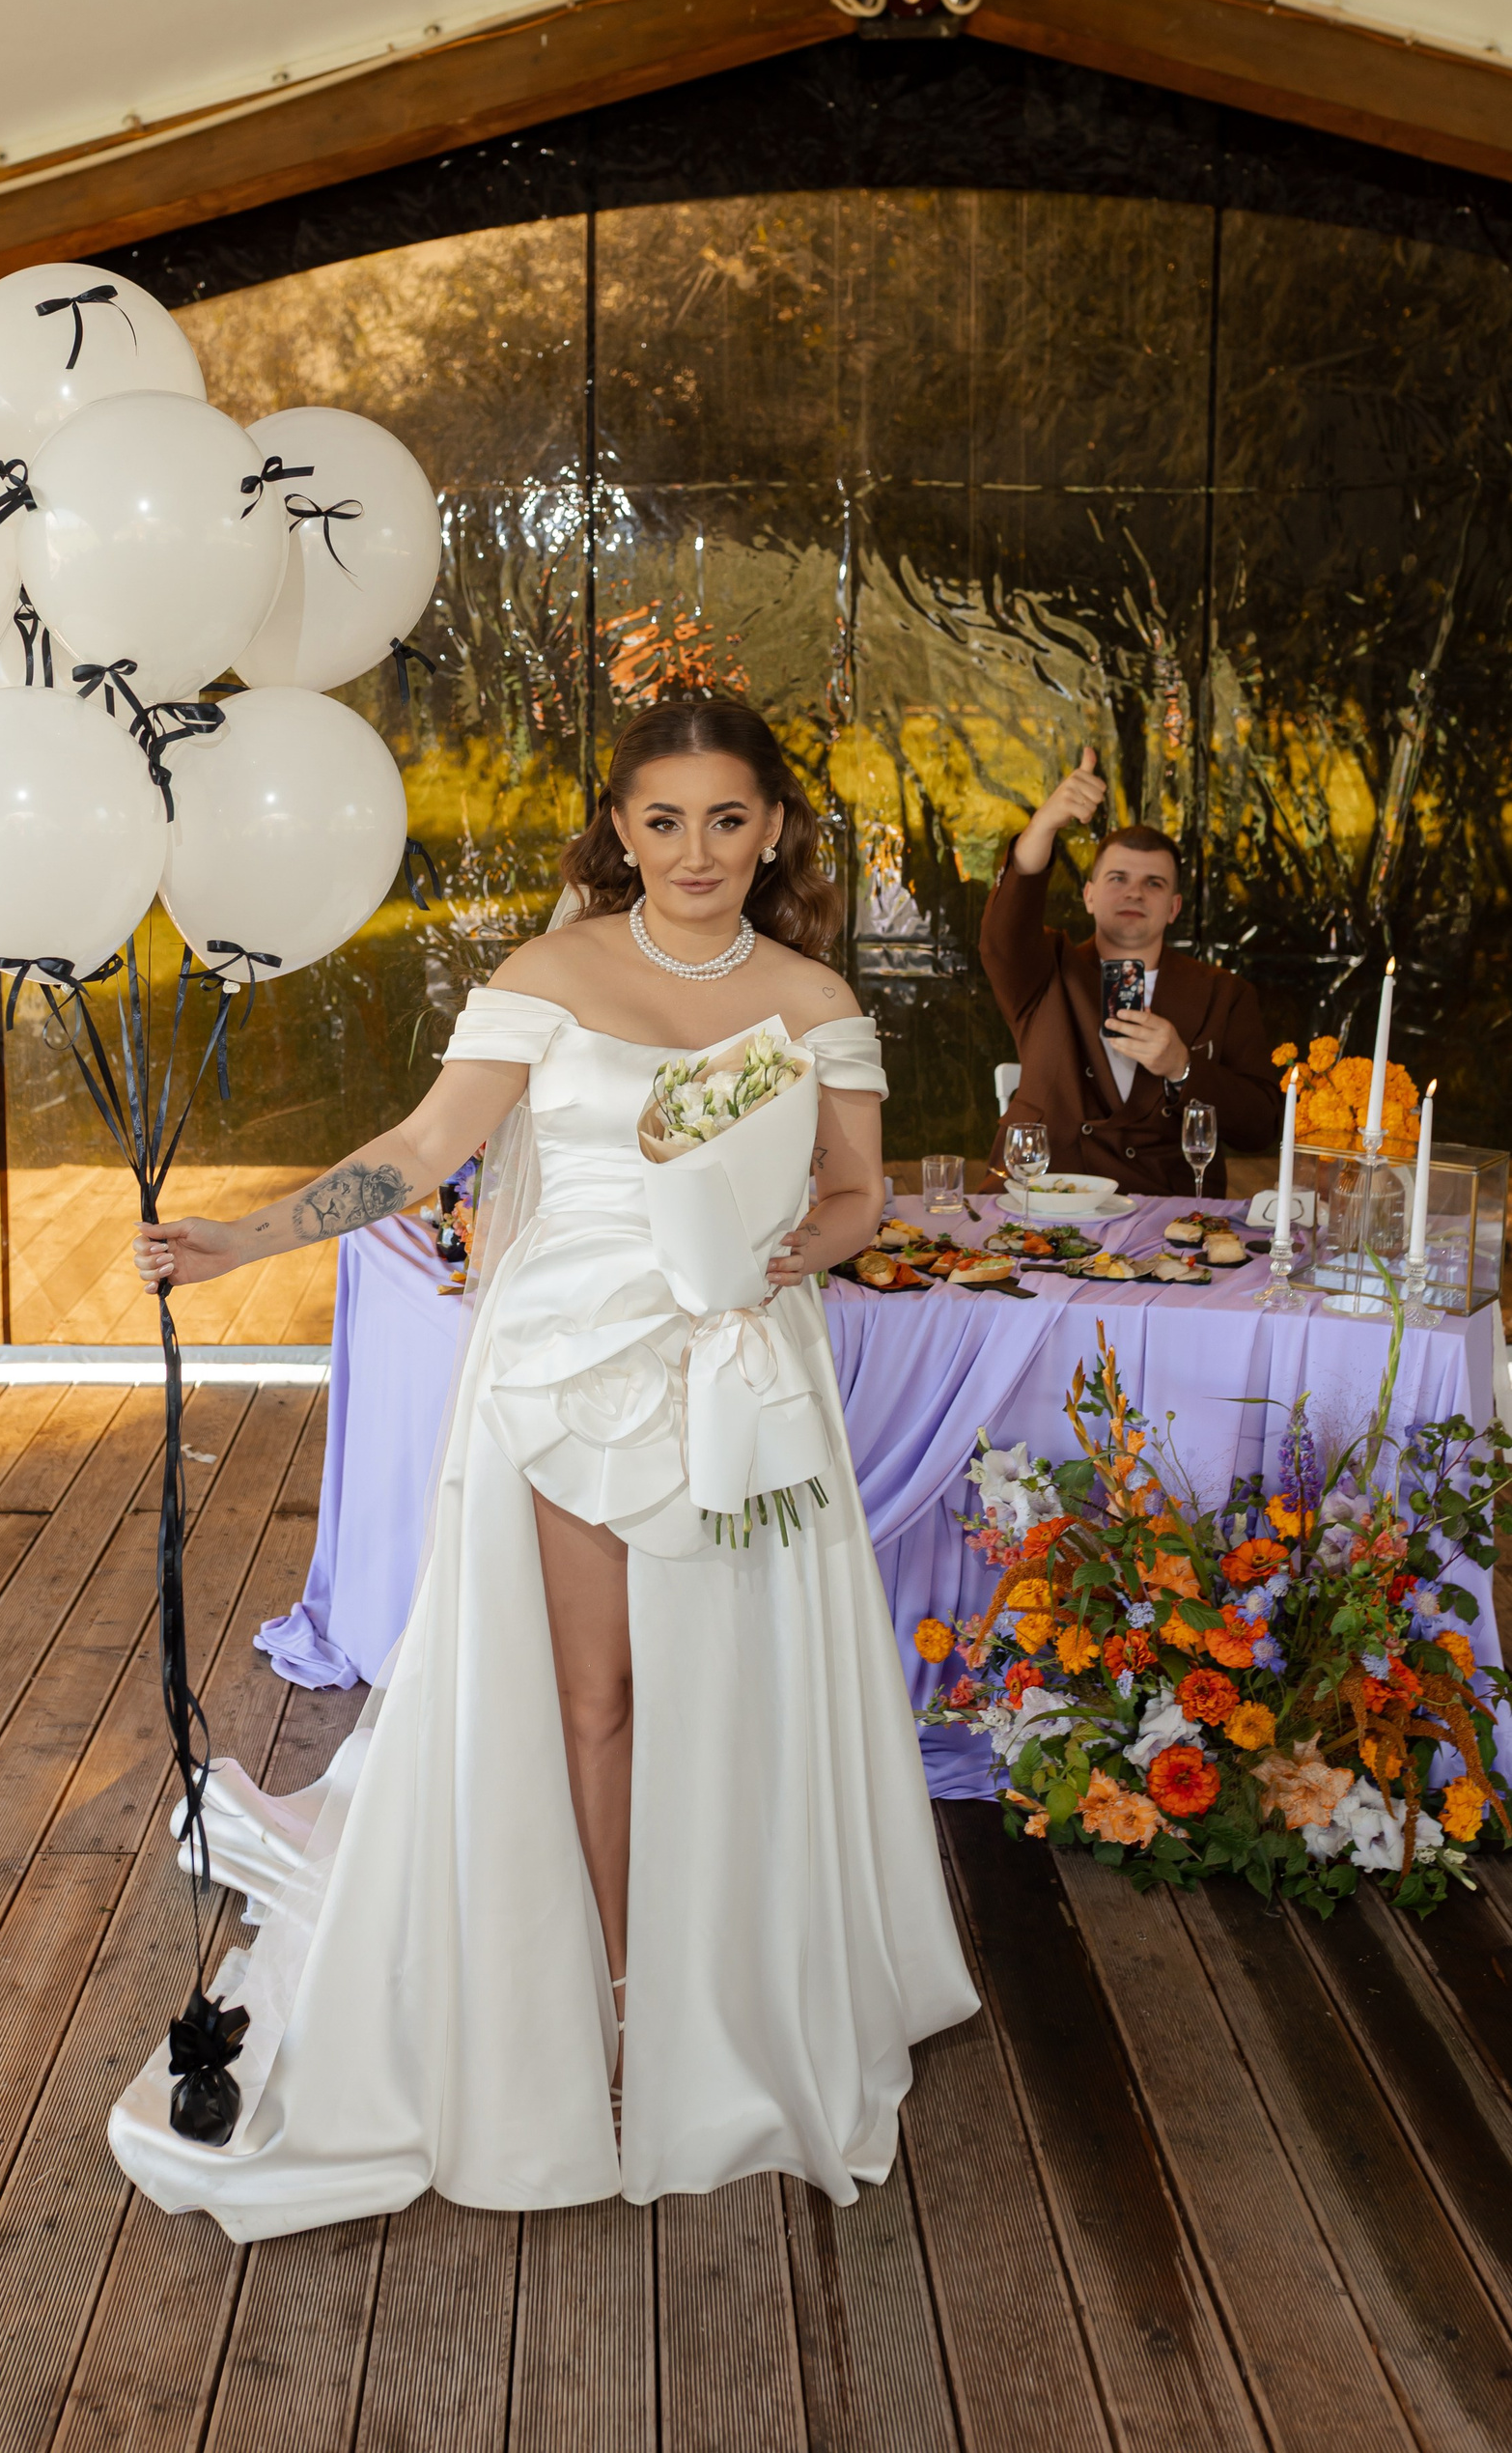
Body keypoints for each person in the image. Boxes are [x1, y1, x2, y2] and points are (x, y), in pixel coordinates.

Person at [108, 698, 976, 2240]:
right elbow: (423, 1149)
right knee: (598, 1694)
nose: (697, 852)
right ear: (622, 830)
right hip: (570, 1369)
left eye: (727, 820)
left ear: (772, 829)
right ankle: (620, 1993)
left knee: (738, 1678)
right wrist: (244, 1238)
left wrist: (790, 1250)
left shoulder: (813, 998)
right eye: (665, 820)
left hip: (741, 1369)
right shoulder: (546, 976)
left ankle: (739, 1967)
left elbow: (859, 1194)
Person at [981, 747, 1281, 1197]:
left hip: (1164, 1207)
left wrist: (1182, 1067)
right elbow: (1002, 934)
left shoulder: (1224, 993)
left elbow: (1261, 1126)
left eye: (1153, 883)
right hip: (1045, 1198)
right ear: (1089, 896)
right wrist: (1044, 824)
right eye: (1118, 878)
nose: (1134, 893)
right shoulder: (1045, 969)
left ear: (1174, 908)